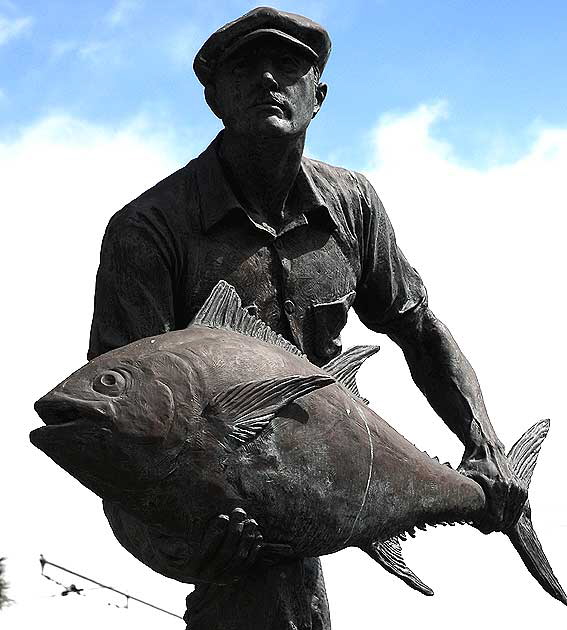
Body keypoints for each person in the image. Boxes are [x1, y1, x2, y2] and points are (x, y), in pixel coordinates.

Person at [88, 7, 526, 629]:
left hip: (334, 471)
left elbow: (420, 330)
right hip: (233, 517)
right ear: (214, 96)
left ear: (317, 94)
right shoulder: (149, 229)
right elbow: (118, 431)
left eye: (288, 64)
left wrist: (485, 444)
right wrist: (178, 547)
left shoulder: (352, 204)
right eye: (244, 67)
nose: (268, 78)